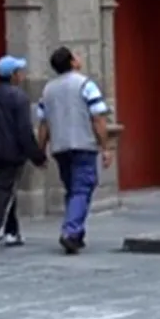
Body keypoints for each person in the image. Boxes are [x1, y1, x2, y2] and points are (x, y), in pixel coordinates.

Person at [37, 46, 114, 254]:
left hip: (60, 146)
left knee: (73, 189)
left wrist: (41, 149)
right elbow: (98, 117)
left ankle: (77, 232)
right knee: (83, 187)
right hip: (83, 144)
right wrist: (105, 147)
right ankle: (71, 231)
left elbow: (43, 124)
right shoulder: (85, 85)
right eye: (76, 56)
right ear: (72, 62)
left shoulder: (48, 90)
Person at [0, 54, 46, 252]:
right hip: (10, 153)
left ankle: (12, 232)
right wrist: (37, 156)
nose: (22, 75)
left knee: (3, 190)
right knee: (4, 192)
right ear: (13, 75)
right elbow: (24, 131)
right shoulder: (18, 97)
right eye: (20, 72)